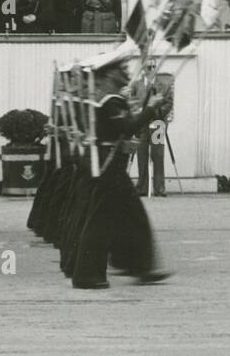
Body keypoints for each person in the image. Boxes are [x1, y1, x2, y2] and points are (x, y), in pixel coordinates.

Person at [66, 44, 170, 289]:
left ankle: (135, 265)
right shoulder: (109, 99)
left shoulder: (101, 96)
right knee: (104, 220)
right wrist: (151, 107)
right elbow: (126, 128)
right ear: (110, 73)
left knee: (129, 217)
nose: (126, 71)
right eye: (121, 68)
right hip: (108, 165)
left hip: (104, 162)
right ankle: (89, 275)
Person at [133, 64, 173, 197]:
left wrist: (158, 113)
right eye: (147, 67)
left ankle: (159, 188)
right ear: (143, 69)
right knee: (142, 154)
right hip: (142, 125)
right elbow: (131, 102)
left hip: (157, 123)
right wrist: (136, 114)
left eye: (153, 67)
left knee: (158, 154)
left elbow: (169, 103)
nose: (150, 69)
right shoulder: (136, 85)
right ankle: (142, 187)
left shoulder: (164, 85)